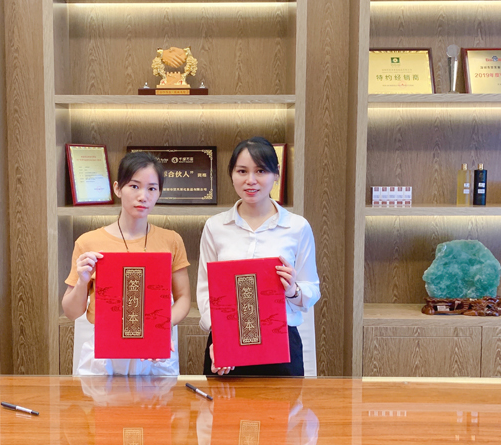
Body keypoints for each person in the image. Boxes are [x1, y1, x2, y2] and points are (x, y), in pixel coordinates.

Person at [197, 137, 320, 376]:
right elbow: (205, 291)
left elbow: (312, 289)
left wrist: (292, 290)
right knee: (222, 402)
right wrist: (220, 338)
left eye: (261, 171)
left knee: (283, 401)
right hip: (226, 342)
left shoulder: (297, 227)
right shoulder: (215, 227)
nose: (251, 180)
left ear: (276, 174)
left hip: (282, 345)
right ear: (232, 174)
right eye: (242, 171)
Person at [62, 152, 191, 375]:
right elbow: (71, 312)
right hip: (104, 353)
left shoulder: (171, 240)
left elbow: (184, 298)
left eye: (152, 188)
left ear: (159, 193)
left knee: (158, 399)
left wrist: (161, 326)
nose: (143, 196)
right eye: (134, 186)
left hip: (155, 351)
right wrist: (82, 282)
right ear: (117, 188)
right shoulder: (88, 242)